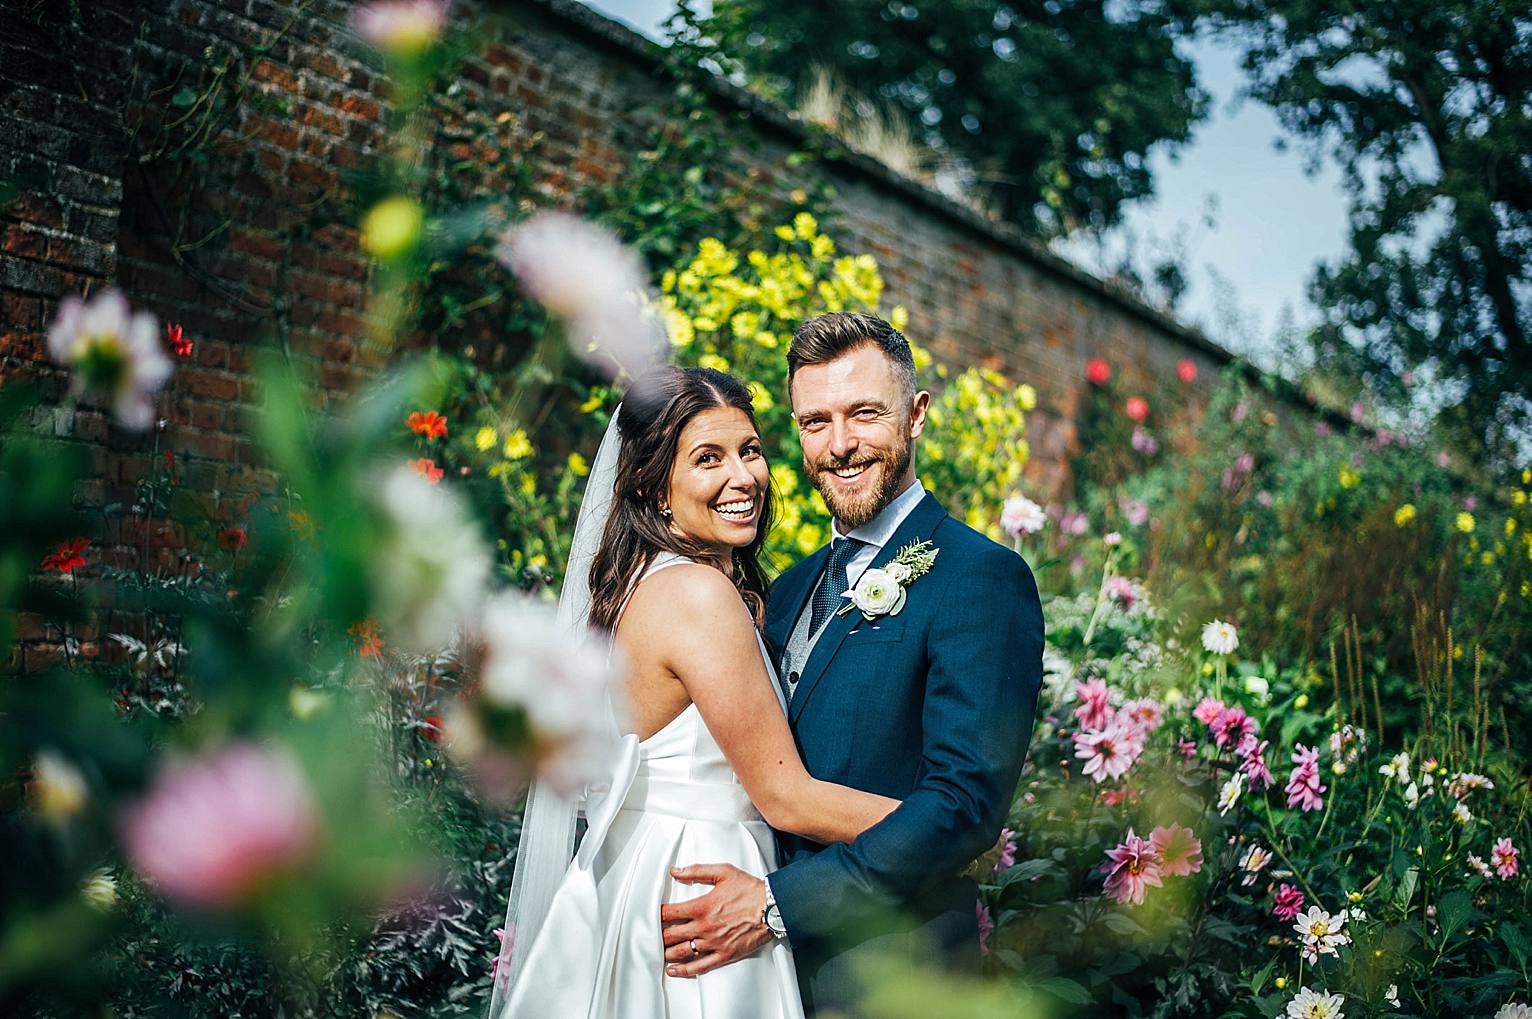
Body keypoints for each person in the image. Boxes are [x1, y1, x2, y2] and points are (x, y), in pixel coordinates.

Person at [658, 312, 1045, 1016]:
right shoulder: (784, 589)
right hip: (751, 980)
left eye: (864, 414)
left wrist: (777, 905)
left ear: (916, 414)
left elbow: (963, 804)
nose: (840, 445)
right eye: (815, 421)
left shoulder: (982, 579)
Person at [491, 365, 904, 1019]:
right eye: (708, 458)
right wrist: (947, 827)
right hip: (703, 885)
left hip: (646, 874)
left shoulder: (642, 582)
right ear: (655, 488)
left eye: (750, 450)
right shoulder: (696, 594)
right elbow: (784, 795)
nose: (743, 478)